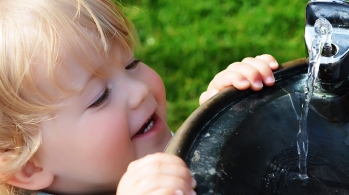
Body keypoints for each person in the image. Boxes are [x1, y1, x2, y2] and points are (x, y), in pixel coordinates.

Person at [0, 0, 278, 194]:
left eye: (131, 64)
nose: (139, 91)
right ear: (29, 166)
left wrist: (221, 123)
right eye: (100, 97)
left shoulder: (140, 145)